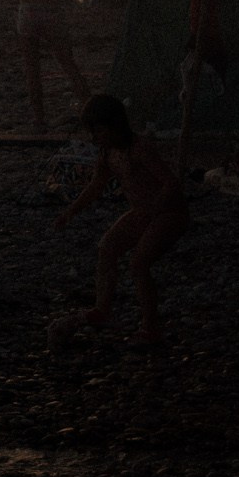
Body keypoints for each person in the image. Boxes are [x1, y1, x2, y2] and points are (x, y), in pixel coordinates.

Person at [49, 94, 188, 348]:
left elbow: (170, 182)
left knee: (139, 264)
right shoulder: (107, 153)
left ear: (114, 125)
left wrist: (156, 207)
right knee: (107, 249)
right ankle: (102, 310)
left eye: (99, 131)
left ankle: (151, 327)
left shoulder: (139, 148)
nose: (95, 137)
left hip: (168, 213)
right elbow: (96, 187)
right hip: (141, 213)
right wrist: (70, 212)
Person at [12, 0, 90, 132]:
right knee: (67, 63)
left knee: (32, 69)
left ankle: (39, 119)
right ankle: (88, 106)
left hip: (28, 13)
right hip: (52, 13)